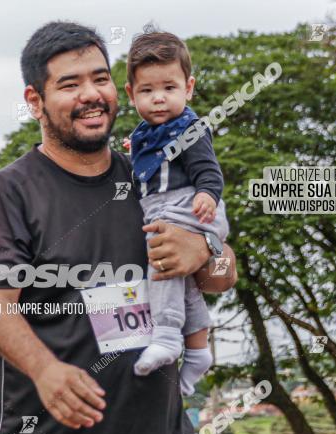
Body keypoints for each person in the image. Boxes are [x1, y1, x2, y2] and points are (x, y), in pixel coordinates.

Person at [0, 21, 237, 434]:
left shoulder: (154, 174)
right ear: (35, 100)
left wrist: (205, 251)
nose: (90, 95)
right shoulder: (10, 193)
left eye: (100, 78)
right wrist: (45, 369)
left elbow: (224, 277)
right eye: (69, 84)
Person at [124, 29, 231, 394]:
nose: (158, 99)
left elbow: (209, 172)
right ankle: (198, 351)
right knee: (183, 282)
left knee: (164, 258)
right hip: (168, 208)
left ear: (188, 87)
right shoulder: (143, 135)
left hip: (189, 207)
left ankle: (168, 335)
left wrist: (208, 198)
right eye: (147, 91)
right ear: (131, 94)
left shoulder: (189, 128)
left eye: (169, 89)